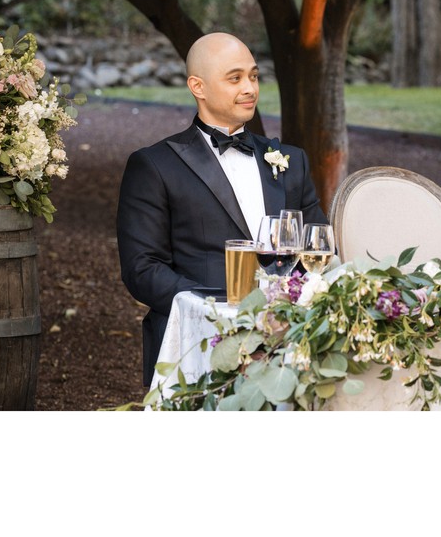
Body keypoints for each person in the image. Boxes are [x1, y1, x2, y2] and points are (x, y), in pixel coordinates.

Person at [116, 32, 327, 385]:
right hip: (195, 344)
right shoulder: (154, 166)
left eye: (254, 76)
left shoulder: (291, 161)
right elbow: (142, 270)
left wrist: (292, 310)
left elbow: (317, 250)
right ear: (198, 87)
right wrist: (217, 312)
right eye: (235, 78)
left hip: (289, 343)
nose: (250, 88)